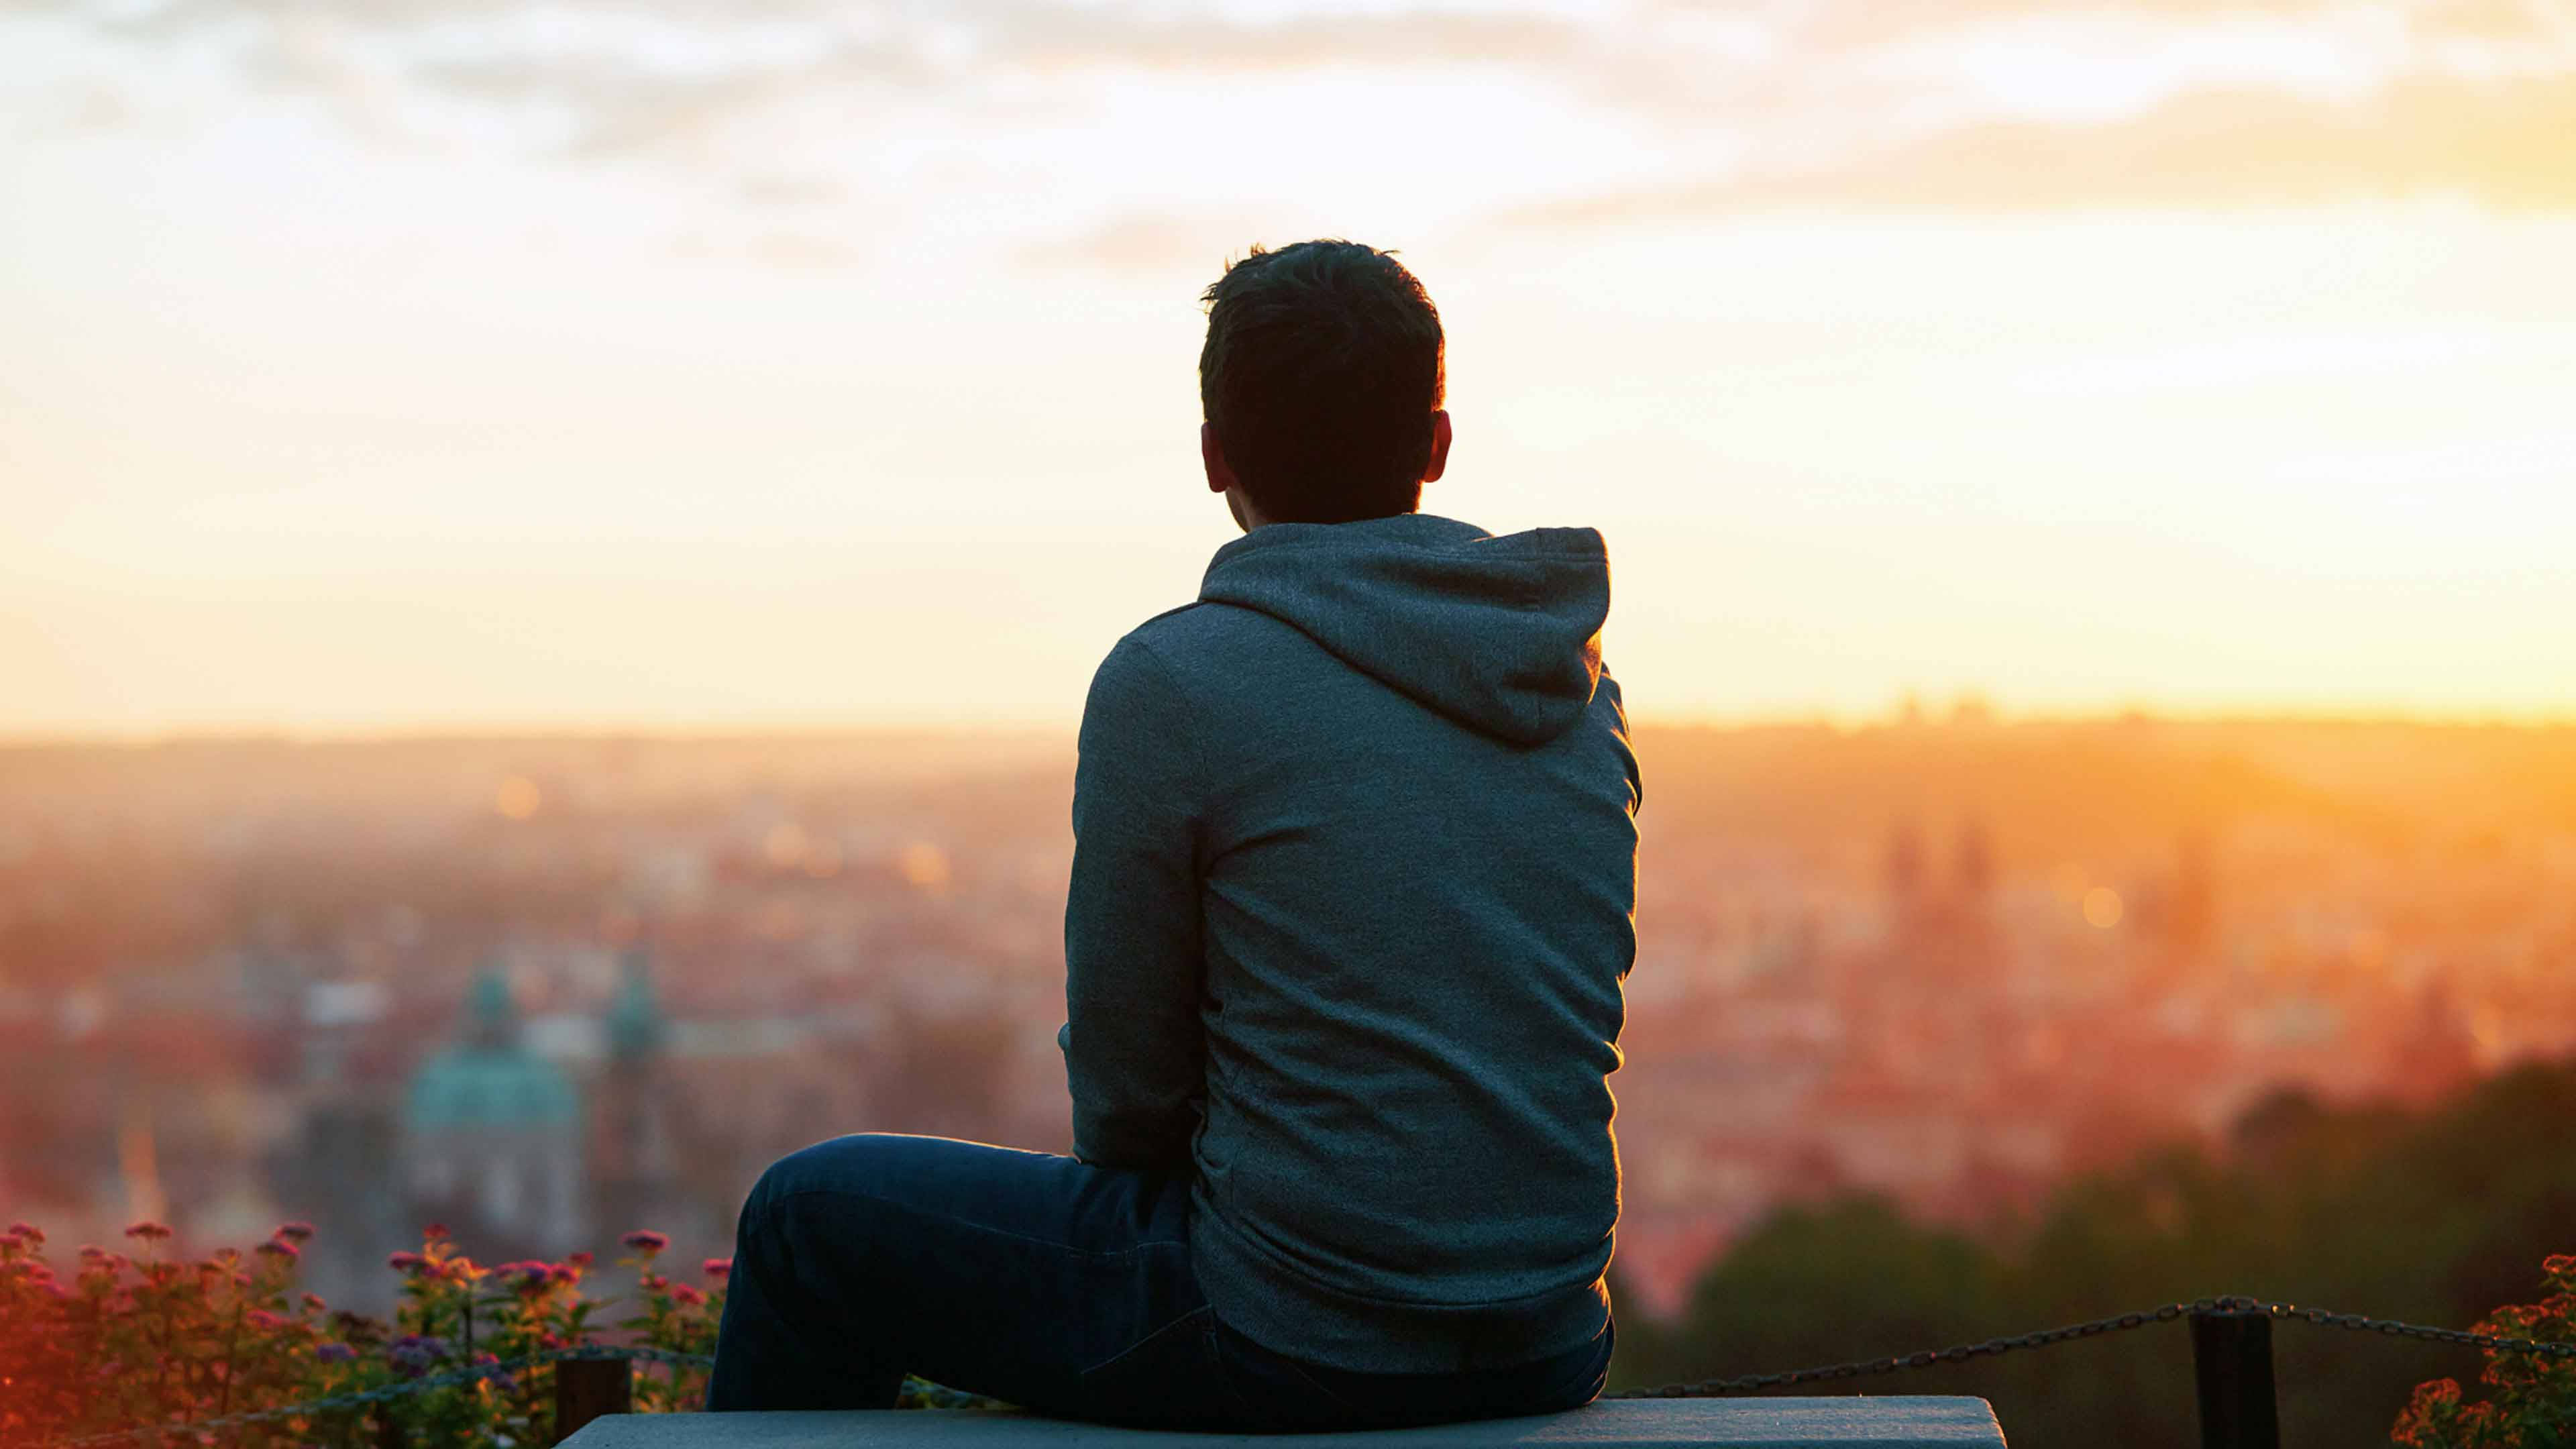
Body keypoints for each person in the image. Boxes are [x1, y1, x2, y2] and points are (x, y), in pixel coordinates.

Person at [706, 239, 1642, 1429]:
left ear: (1213, 458)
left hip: (1292, 1337)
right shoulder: (1571, 677)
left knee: (806, 1218)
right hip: (1551, 1338)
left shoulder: (1178, 681)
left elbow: (1130, 1084)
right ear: (1438, 443)